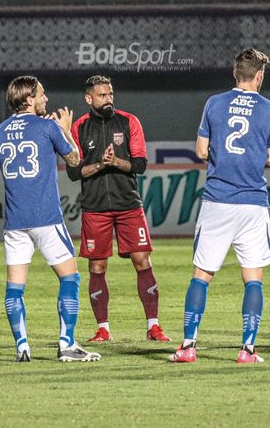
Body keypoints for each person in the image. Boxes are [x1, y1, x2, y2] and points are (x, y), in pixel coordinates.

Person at [170, 48, 270, 363]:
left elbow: (202, 151)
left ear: (236, 73)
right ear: (259, 75)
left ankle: (188, 346)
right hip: (253, 203)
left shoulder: (214, 103)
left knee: (201, 275)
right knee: (253, 278)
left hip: (217, 199)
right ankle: (247, 349)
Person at [0, 75, 100, 362]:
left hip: (15, 222)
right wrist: (64, 130)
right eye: (41, 94)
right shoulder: (47, 125)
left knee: (15, 287)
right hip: (46, 217)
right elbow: (76, 159)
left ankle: (22, 347)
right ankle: (67, 345)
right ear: (29, 99)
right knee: (70, 278)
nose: (46, 99)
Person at [65, 75, 170, 343]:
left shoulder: (128, 121)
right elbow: (74, 172)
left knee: (142, 261)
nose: (108, 99)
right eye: (102, 95)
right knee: (97, 267)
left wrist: (116, 162)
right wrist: (101, 164)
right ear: (89, 99)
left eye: (110, 94)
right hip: (95, 207)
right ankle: (103, 329)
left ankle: (153, 326)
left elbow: (140, 165)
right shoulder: (79, 128)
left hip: (127, 204)